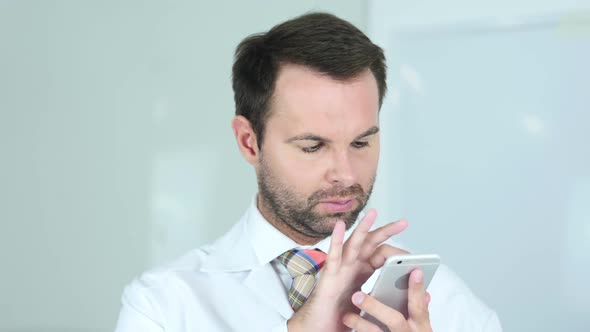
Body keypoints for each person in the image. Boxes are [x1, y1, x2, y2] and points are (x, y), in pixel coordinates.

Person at [114, 12, 502, 332]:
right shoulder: (163, 305)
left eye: (362, 142)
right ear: (249, 142)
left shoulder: (441, 301)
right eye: (313, 147)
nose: (345, 174)